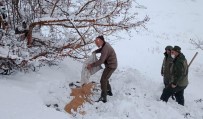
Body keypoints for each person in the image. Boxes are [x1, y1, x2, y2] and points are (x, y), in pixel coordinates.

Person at [87, 35, 117, 103]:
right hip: (111, 65)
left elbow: (101, 61)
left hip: (111, 66)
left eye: (97, 42)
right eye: (96, 42)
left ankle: (103, 97)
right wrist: (96, 51)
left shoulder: (105, 49)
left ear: (102, 41)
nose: (96, 44)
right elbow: (101, 49)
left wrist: (91, 65)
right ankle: (109, 91)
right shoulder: (105, 44)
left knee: (103, 80)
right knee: (105, 78)